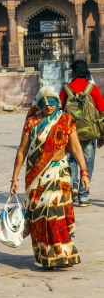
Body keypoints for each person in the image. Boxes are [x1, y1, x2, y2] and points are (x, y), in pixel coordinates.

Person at [10, 86, 90, 270]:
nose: (49, 107)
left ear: (57, 103)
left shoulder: (65, 120)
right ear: (39, 104)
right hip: (36, 176)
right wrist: (14, 178)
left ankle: (62, 253)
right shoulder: (31, 123)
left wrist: (84, 172)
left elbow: (76, 148)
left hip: (58, 172)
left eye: (52, 103)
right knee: (40, 217)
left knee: (55, 213)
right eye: (45, 103)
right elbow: (22, 151)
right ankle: (45, 253)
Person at [60, 60, 104, 206]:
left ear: (73, 72)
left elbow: (60, 110)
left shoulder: (66, 88)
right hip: (89, 132)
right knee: (88, 162)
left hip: (71, 131)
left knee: (72, 159)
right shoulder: (93, 88)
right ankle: (84, 196)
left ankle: (72, 186)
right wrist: (102, 134)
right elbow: (102, 111)